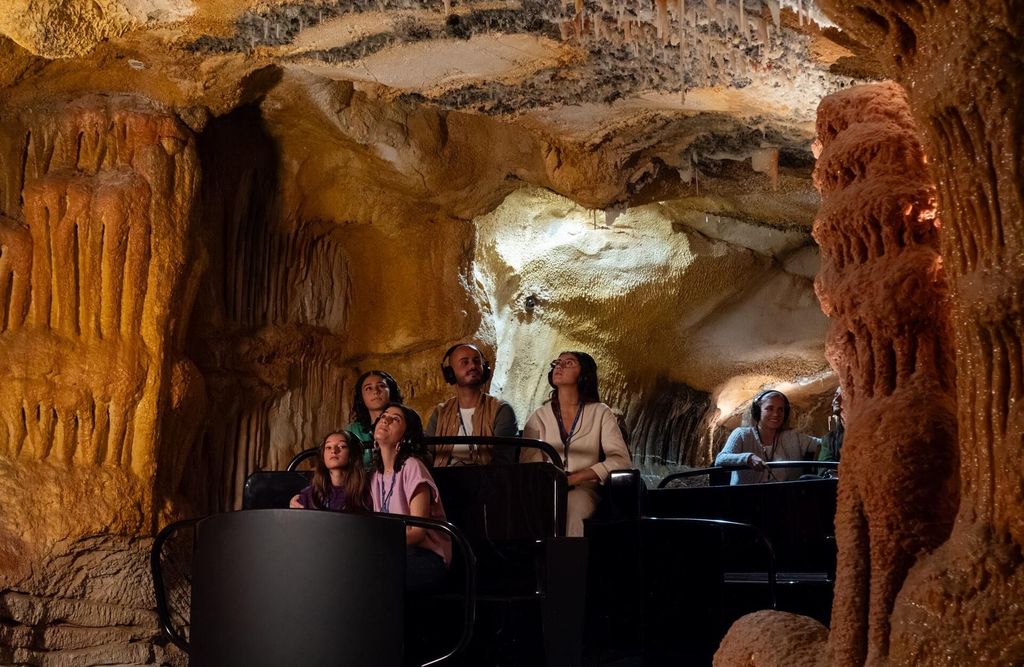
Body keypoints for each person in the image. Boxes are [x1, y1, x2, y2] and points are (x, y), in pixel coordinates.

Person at [522, 351, 632, 537]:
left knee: (576, 504)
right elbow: (528, 467)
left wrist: (575, 478)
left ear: (584, 376)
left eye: (569, 363)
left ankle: (570, 563)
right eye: (558, 362)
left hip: (585, 489)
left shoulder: (600, 413)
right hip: (547, 490)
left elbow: (621, 461)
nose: (559, 366)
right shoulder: (538, 417)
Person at [370, 403, 452, 593]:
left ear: (406, 436)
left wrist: (377, 544)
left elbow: (417, 533)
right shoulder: (376, 476)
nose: (386, 420)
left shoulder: (413, 467)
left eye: (395, 419)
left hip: (426, 556)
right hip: (394, 553)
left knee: (373, 572)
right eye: (384, 416)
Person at [426, 343, 518, 466]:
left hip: (487, 481)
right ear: (450, 372)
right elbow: (426, 455)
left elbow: (503, 461)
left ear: (484, 368)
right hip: (443, 482)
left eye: (476, 361)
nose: (473, 366)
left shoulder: (501, 410)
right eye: (464, 362)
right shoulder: (440, 413)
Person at [715, 390, 822, 485]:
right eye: (769, 408)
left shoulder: (793, 437)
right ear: (757, 411)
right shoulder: (742, 435)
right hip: (746, 500)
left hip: (785, 500)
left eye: (781, 410)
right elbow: (720, 459)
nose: (776, 414)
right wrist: (747, 458)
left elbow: (824, 444)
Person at [288, 430, 368, 511]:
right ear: (323, 456)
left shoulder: (367, 492)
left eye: (342, 446)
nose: (333, 451)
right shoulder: (310, 495)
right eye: (328, 447)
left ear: (352, 454)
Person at [348, 370, 404, 463]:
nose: (376, 391)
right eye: (368, 388)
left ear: (391, 391)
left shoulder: (407, 423)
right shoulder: (353, 431)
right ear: (361, 396)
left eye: (381, 386)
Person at [818, 386, 844, 464]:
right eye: (835, 395)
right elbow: (825, 467)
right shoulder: (829, 439)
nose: (836, 399)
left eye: (843, 395)